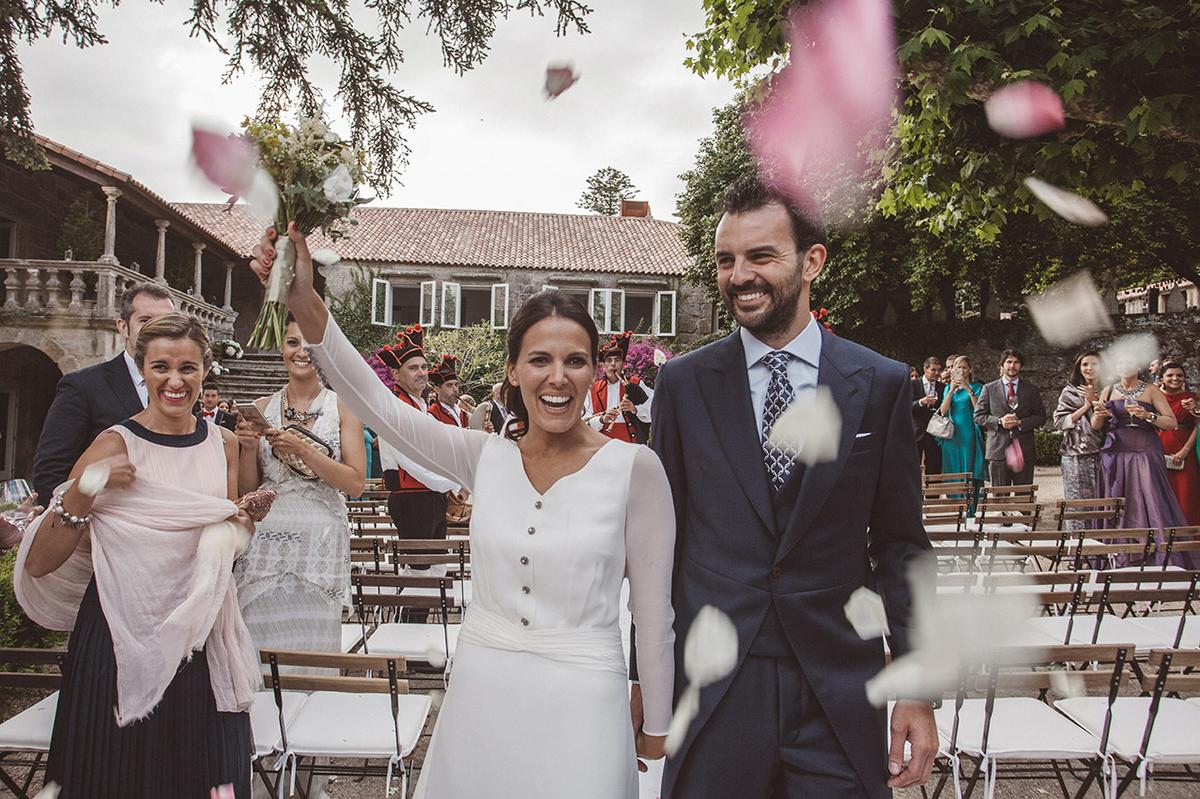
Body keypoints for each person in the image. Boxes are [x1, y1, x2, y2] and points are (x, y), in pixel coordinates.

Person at [250, 226, 676, 798]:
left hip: (587, 701)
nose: (557, 377)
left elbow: (654, 617)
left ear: (594, 371)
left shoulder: (636, 469)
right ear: (512, 370)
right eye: (539, 359)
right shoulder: (482, 457)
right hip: (482, 691)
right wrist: (302, 297)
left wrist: (657, 724)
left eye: (575, 360)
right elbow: (376, 405)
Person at [632, 179, 936, 798]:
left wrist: (916, 683)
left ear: (812, 261)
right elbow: (658, 546)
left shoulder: (878, 383)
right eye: (725, 260)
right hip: (714, 685)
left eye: (761, 256)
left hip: (838, 687)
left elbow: (902, 544)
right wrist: (645, 675)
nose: (739, 275)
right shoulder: (684, 386)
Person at [14, 313, 260, 797]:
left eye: (187, 368)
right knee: (116, 774)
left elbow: (220, 544)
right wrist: (86, 489)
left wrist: (239, 526)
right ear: (142, 370)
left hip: (198, 635)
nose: (174, 380)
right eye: (160, 366)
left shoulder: (222, 444)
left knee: (194, 773)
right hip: (117, 632)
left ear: (205, 371)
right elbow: (41, 561)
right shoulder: (114, 443)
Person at [233, 315, 365, 665]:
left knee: (313, 651)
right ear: (282, 350)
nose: (301, 352)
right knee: (260, 650)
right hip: (266, 547)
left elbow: (355, 484)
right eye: (293, 343)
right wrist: (246, 448)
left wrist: (304, 450)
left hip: (320, 545)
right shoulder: (262, 408)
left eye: (309, 346)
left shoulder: (344, 407)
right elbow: (249, 490)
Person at [32, 282, 175, 503]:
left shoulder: (181, 390)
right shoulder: (83, 386)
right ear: (123, 327)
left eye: (166, 322)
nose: (158, 330)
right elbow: (50, 473)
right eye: (146, 321)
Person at [374, 327, 459, 622]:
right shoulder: (396, 406)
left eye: (424, 366)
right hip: (413, 498)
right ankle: (410, 645)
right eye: (413, 368)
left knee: (435, 568)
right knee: (418, 574)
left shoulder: (420, 405)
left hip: (429, 495)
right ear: (396, 375)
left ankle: (422, 643)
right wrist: (453, 480)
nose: (422, 372)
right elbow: (410, 461)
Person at [1092, 362, 1195, 567]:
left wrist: (1148, 415)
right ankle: (1119, 556)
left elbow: (1171, 422)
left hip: (1145, 450)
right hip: (1116, 451)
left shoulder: (1151, 390)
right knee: (1118, 498)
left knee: (1150, 497)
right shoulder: (1109, 390)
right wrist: (1098, 415)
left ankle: (1156, 557)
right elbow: (1096, 426)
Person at [974, 349, 1046, 486]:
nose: (1012, 366)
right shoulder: (988, 389)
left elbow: (1041, 417)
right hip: (998, 450)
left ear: (1021, 366)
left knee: (1024, 497)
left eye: (1016, 362)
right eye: (1008, 362)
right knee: (1000, 499)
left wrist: (1020, 422)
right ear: (1002, 365)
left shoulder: (1031, 390)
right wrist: (1000, 421)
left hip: (1023, 448)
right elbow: (978, 416)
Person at [1053, 351, 1104, 530]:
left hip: (1103, 452)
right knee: (1077, 502)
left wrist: (1096, 401)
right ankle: (1077, 549)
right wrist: (1086, 406)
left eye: (1094, 364)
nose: (1089, 368)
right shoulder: (1070, 391)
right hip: (1074, 453)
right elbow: (1059, 422)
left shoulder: (1108, 390)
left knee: (1102, 501)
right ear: (1079, 368)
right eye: (1085, 364)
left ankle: (1101, 551)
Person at [582, 332, 653, 444]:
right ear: (604, 365)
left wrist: (634, 409)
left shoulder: (634, 384)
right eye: (609, 360)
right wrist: (602, 419)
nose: (613, 364)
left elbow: (654, 407)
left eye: (617, 360)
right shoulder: (593, 389)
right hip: (603, 445)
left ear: (623, 364)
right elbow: (584, 421)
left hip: (630, 444)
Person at [1156, 361, 1200, 525]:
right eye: (1170, 375)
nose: (1175, 378)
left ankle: (1190, 541)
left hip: (1185, 450)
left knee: (1186, 494)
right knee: (1162, 494)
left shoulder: (1192, 398)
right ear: (1162, 378)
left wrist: (1184, 451)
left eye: (1179, 375)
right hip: (1160, 447)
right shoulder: (1155, 398)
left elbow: (1198, 426)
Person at [936, 356, 987, 489]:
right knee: (953, 468)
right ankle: (956, 502)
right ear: (953, 370)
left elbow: (979, 410)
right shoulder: (948, 388)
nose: (962, 370)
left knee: (969, 466)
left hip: (969, 431)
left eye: (965, 367)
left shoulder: (978, 387)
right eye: (958, 367)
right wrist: (952, 390)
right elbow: (943, 411)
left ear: (970, 370)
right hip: (952, 434)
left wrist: (968, 389)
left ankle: (970, 504)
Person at [911, 356, 944, 474]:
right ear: (925, 369)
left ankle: (933, 493)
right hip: (916, 432)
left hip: (934, 433)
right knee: (913, 467)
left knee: (934, 466)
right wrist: (921, 402)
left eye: (939, 370)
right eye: (933, 370)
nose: (937, 373)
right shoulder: (913, 385)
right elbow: (905, 406)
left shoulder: (942, 387)